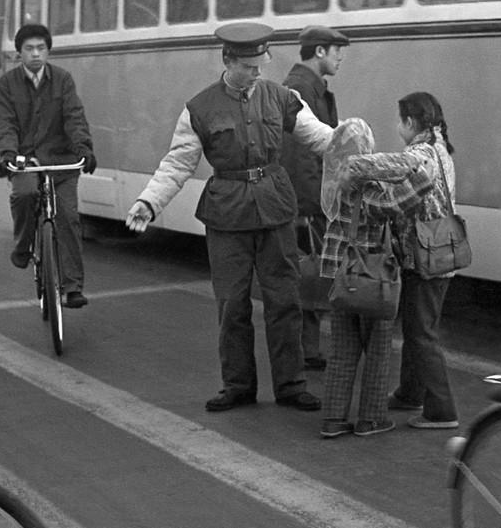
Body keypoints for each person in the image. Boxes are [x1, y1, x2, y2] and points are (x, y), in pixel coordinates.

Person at [125, 21, 333, 413]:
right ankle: (238, 385)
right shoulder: (199, 109)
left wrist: (353, 143)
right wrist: (148, 202)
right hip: (227, 216)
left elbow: (320, 136)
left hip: (275, 210)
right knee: (232, 305)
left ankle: (291, 384)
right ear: (228, 61)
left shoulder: (282, 98)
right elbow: (177, 164)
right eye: (250, 66)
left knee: (285, 300)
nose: (258, 72)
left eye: (261, 64)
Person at [318, 118, 434, 438]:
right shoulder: (365, 189)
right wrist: (420, 171)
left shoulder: (333, 184)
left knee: (342, 352)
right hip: (372, 281)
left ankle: (333, 419)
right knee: (378, 351)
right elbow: (402, 200)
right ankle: (371, 418)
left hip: (341, 281)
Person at [0, 24, 96, 309]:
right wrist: (9, 152)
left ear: (48, 51)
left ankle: (72, 286)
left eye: (41, 48)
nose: (36, 54)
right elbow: (4, 123)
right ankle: (24, 245)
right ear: (19, 53)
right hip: (26, 162)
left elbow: (74, 116)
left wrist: (84, 148)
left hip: (61, 163)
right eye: (29, 49)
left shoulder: (63, 79)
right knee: (24, 195)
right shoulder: (7, 83)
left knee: (68, 217)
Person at [385, 91, 461, 430]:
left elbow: (402, 200)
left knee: (421, 332)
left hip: (423, 253)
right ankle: (409, 392)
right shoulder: (442, 149)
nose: (397, 125)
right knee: (417, 326)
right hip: (444, 248)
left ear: (410, 123)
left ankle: (441, 409)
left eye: (399, 119)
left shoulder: (417, 155)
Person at [280, 25, 350, 372]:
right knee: (309, 270)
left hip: (315, 197)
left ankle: (307, 347)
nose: (342, 57)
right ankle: (304, 348)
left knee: (311, 271)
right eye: (337, 50)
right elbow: (299, 153)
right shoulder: (300, 89)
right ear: (319, 51)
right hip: (309, 201)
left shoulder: (312, 87)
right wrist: (311, 206)